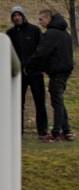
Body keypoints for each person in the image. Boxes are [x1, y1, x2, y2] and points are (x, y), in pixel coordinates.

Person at [25, 9, 73, 142]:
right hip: (65, 71)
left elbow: (41, 53)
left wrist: (29, 66)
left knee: (56, 101)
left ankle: (56, 133)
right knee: (59, 100)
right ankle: (67, 131)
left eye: (41, 19)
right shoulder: (65, 33)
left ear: (48, 18)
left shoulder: (51, 34)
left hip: (57, 72)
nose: (39, 22)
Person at [5, 5, 48, 140]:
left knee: (40, 102)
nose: (17, 18)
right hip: (18, 75)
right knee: (18, 103)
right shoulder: (10, 34)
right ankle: (18, 131)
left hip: (35, 73)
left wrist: (36, 66)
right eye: (14, 16)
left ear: (23, 16)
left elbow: (41, 51)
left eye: (19, 15)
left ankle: (42, 131)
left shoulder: (35, 31)